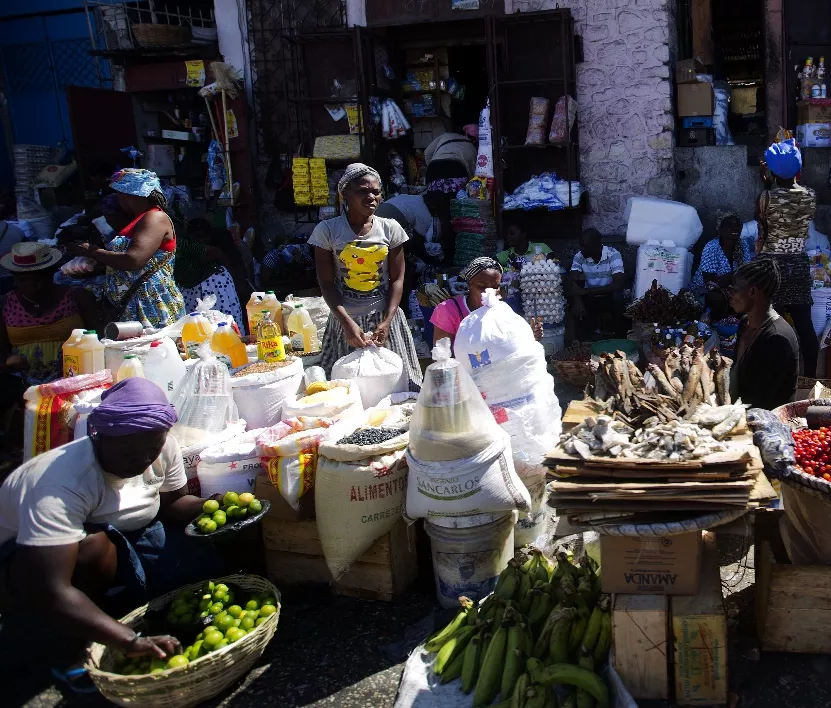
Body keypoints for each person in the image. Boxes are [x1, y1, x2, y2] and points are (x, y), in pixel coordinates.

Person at [0, 378, 222, 686]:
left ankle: (113, 607)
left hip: (129, 535)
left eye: (152, 450)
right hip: (30, 564)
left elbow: (173, 503)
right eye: (131, 455)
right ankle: (73, 646)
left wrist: (214, 505)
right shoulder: (60, 483)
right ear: (99, 437)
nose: (144, 461)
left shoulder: (159, 443)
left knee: (202, 572)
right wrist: (129, 642)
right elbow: (52, 588)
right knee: (94, 548)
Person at [310, 163, 423, 390]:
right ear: (345, 195)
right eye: (363, 191)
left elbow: (398, 280)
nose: (371, 196)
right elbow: (326, 284)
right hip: (346, 323)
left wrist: (387, 322)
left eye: (376, 191)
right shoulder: (327, 231)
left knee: (399, 390)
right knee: (348, 391)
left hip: (386, 320)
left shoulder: (391, 229)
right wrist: (347, 324)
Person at [67, 169, 185, 329]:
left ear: (129, 194)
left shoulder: (154, 218)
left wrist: (92, 251)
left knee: (154, 351)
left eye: (118, 194)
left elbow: (133, 260)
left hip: (150, 304)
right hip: (132, 303)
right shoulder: (139, 220)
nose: (118, 199)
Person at [755, 138, 818, 377]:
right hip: (798, 265)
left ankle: (776, 377)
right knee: (804, 325)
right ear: (798, 169)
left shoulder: (766, 197)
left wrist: (766, 185)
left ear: (771, 170)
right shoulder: (810, 196)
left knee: (772, 325)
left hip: (773, 267)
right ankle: (811, 378)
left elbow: (763, 226)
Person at [0, 242, 98, 387]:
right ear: (15, 279)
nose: (34, 285)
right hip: (23, 385)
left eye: (39, 278)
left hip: (77, 380)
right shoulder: (6, 303)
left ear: (51, 274)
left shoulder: (77, 296)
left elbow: (100, 338)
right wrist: (8, 361)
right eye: (24, 280)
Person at [430, 256, 543, 349]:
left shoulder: (501, 310)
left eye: (495, 287)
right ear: (469, 285)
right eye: (482, 287)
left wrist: (529, 336)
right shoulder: (448, 310)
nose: (489, 292)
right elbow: (442, 356)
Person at [729, 259, 799, 409]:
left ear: (752, 292)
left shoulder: (777, 338)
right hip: (740, 411)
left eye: (735, 290)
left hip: (766, 422)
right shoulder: (745, 323)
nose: (730, 295)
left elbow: (761, 401)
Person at [174, 218, 248, 331]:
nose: (201, 240)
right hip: (191, 288)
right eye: (197, 237)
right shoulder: (183, 245)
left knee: (222, 325)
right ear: (189, 235)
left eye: (204, 237)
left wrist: (235, 281)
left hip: (213, 286)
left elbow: (218, 253)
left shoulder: (184, 245)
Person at [690, 212, 753, 321]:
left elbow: (746, 272)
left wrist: (731, 279)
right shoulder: (712, 247)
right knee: (716, 298)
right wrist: (732, 280)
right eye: (730, 226)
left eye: (738, 226)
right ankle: (718, 323)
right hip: (704, 290)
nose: (735, 229)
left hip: (732, 287)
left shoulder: (743, 245)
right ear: (720, 230)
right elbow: (709, 282)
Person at [569, 228, 626, 339]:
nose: (581, 249)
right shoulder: (580, 256)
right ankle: (584, 341)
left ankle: (619, 338)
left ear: (596, 245)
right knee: (574, 303)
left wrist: (585, 291)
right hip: (590, 296)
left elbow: (619, 284)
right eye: (580, 245)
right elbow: (571, 280)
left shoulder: (613, 254)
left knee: (619, 298)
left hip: (609, 294)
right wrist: (577, 299)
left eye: (584, 246)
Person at [496, 221, 552, 312]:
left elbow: (551, 267)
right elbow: (492, 266)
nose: (508, 236)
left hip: (538, 298)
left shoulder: (540, 248)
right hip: (516, 299)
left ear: (524, 235)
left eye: (512, 233)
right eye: (508, 234)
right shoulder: (507, 255)